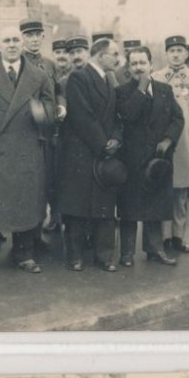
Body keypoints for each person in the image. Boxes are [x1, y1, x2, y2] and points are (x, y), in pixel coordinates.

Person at [0, 23, 53, 275]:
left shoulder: (39, 76)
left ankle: (24, 254)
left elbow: (50, 108)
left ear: (22, 43)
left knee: (25, 202)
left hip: (26, 149)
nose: (12, 45)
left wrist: (43, 113)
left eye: (16, 40)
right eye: (7, 41)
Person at [113, 45, 184, 266]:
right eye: (134, 63)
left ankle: (155, 250)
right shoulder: (122, 92)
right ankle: (127, 253)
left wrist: (168, 140)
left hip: (157, 161)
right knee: (130, 210)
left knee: (155, 207)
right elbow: (128, 115)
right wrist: (141, 90)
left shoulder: (165, 89)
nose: (138, 68)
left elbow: (177, 119)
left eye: (142, 63)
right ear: (128, 67)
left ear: (151, 64)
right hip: (132, 160)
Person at [57, 38, 124, 271]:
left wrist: (116, 138)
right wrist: (103, 144)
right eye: (114, 54)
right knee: (77, 207)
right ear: (100, 55)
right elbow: (82, 116)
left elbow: (117, 115)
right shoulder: (79, 77)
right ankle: (74, 256)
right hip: (82, 153)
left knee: (105, 207)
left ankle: (104, 256)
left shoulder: (109, 80)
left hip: (104, 152)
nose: (118, 58)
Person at [151, 36, 189, 254]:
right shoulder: (156, 77)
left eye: (179, 50)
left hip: (188, 143)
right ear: (166, 53)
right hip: (164, 143)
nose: (175, 54)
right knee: (164, 189)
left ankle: (178, 236)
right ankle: (165, 236)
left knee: (182, 193)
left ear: (187, 53)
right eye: (171, 51)